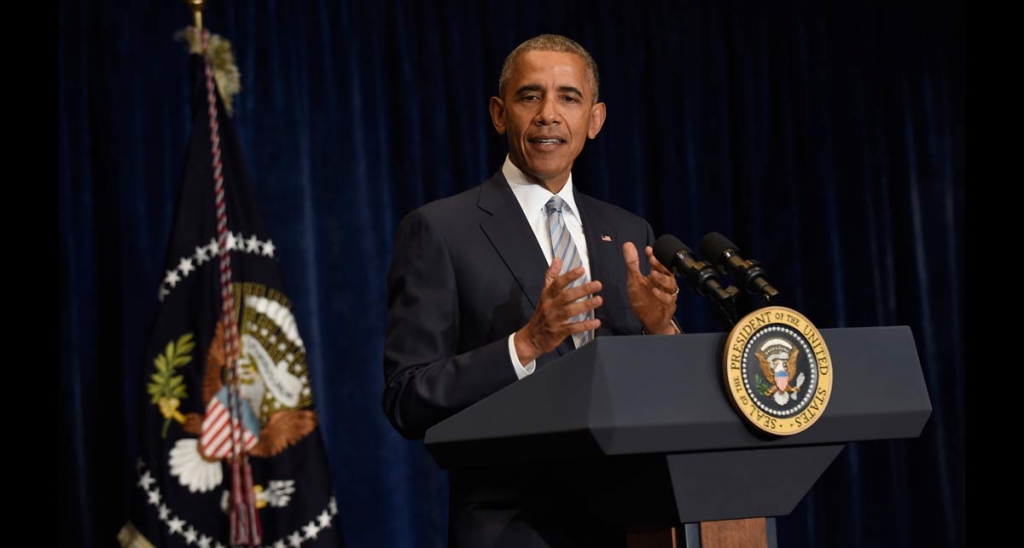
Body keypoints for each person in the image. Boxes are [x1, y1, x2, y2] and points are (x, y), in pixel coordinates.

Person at [382, 34, 682, 548]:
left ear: (596, 119)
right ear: (500, 114)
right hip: (513, 527)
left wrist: (660, 330)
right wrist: (526, 345)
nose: (548, 114)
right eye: (529, 96)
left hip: (635, 521)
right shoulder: (441, 229)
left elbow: (665, 397)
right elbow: (407, 398)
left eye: (569, 97)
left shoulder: (630, 232)